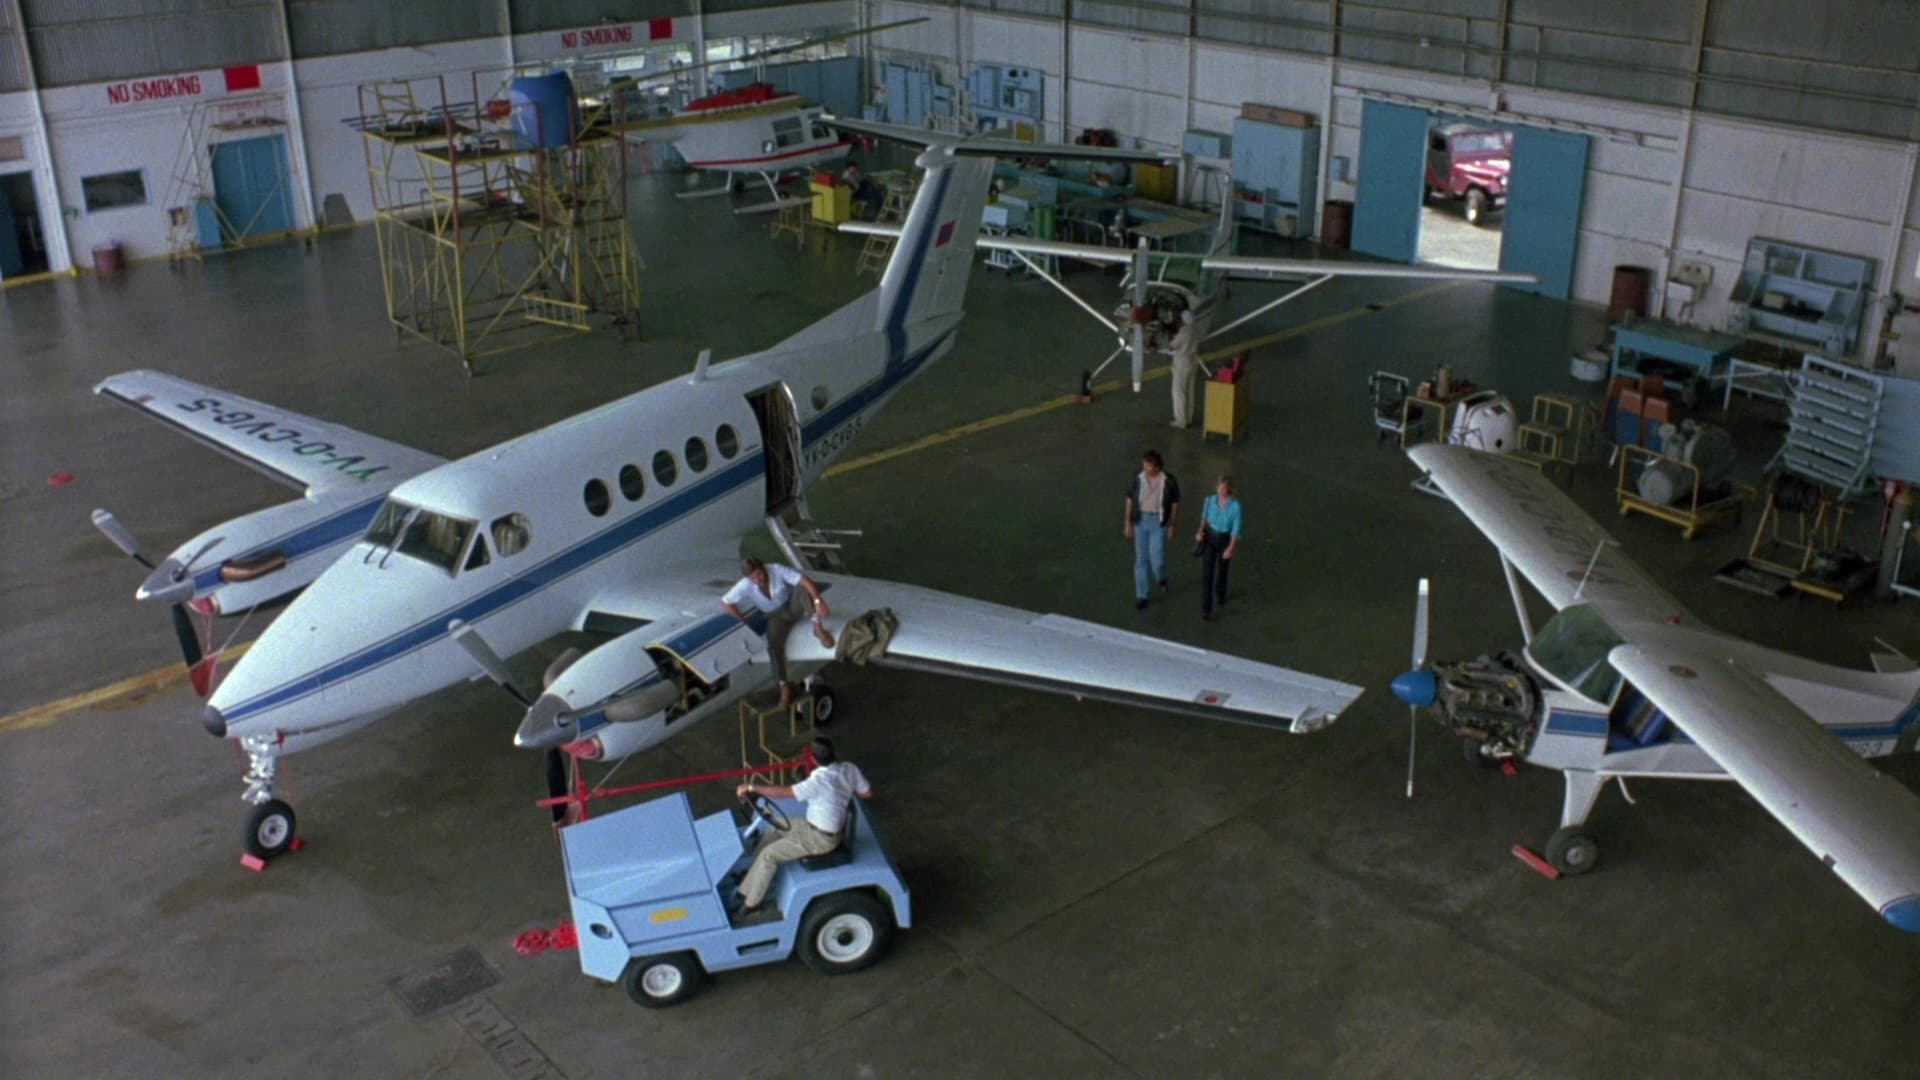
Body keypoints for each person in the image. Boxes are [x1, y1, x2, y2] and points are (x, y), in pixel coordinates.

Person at [733, 736, 873, 921]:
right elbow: (867, 793)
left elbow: (782, 793)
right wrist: (841, 795)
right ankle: (754, 875)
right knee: (775, 827)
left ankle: (751, 904)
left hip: (820, 839)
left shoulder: (818, 781)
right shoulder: (849, 768)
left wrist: (751, 787)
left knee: (769, 855)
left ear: (813, 759)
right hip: (814, 827)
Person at [722, 556, 834, 708]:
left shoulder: (776, 569)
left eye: (759, 574)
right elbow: (726, 601)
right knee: (774, 647)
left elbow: (805, 581)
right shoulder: (745, 584)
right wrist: (742, 621)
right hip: (775, 616)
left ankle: (818, 628)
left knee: (802, 589)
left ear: (763, 568)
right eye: (752, 578)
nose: (757, 580)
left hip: (791, 606)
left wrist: (818, 601)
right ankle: (783, 686)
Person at [1123, 449, 1180, 610]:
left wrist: (1173, 525)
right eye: (1144, 464)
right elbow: (1130, 499)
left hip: (1158, 522)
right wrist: (1128, 522)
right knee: (1140, 560)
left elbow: (1175, 504)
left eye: (1148, 465)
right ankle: (1142, 595)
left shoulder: (1169, 481)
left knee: (1157, 560)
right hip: (1140, 520)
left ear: (1157, 467)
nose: (1144, 467)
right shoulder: (1138, 477)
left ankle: (1161, 577)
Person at [1195, 474, 1241, 621]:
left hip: (1225, 539)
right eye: (1219, 488)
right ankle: (1206, 609)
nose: (1221, 491)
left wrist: (1231, 548)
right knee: (1207, 574)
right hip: (1211, 538)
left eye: (1224, 488)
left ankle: (1221, 592)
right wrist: (1200, 532)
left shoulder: (1235, 506)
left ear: (1229, 490)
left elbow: (1235, 529)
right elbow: (1204, 518)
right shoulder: (1209, 500)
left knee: (1223, 570)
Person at [1167, 308, 1200, 429]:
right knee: (1190, 392)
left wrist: (1169, 337)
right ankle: (1188, 418)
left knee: (1179, 392)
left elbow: (1171, 346)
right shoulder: (1195, 330)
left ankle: (1181, 421)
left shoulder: (1183, 332)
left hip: (1182, 363)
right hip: (1192, 361)